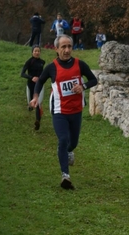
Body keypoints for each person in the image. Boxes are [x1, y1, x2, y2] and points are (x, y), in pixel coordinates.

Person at [29, 34, 98, 190]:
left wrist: (83, 87)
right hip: (59, 111)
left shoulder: (80, 65)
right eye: (63, 47)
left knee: (72, 143)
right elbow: (40, 81)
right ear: (56, 49)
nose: (67, 50)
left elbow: (94, 80)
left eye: (69, 47)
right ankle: (65, 175)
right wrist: (35, 97)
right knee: (63, 139)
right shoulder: (52, 67)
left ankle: (67, 152)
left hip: (76, 110)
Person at [20, 45, 45, 130]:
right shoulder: (29, 62)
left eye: (38, 51)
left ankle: (37, 121)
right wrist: (31, 78)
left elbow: (43, 74)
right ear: (32, 52)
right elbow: (22, 73)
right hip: (30, 84)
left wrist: (41, 78)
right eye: (35, 51)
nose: (37, 52)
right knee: (31, 103)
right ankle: (30, 107)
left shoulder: (42, 62)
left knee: (38, 103)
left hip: (39, 85)